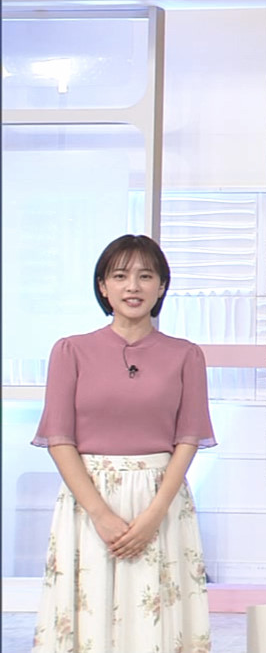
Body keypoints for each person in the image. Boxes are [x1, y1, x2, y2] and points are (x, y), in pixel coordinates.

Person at [31, 235, 215, 653]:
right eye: (120, 276)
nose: (133, 286)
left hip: (160, 500)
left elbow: (188, 439)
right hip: (89, 500)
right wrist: (100, 514)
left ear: (162, 286)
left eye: (145, 276)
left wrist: (154, 515)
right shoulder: (70, 351)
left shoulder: (186, 355)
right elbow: (59, 439)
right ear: (103, 286)